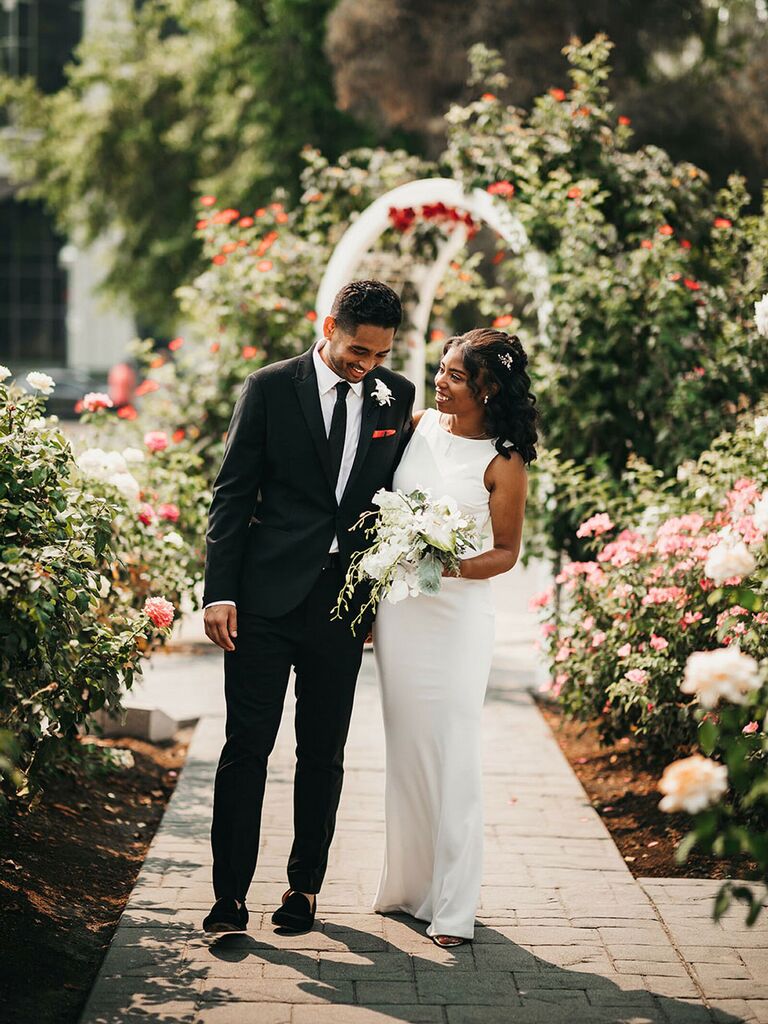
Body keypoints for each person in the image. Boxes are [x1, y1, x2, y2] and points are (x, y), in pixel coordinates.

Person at [201, 280, 415, 934]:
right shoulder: (270, 387)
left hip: (342, 606)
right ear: (328, 325)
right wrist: (220, 591)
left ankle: (304, 889)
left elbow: (392, 498)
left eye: (379, 355)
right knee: (247, 749)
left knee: (322, 753)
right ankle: (230, 896)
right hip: (261, 602)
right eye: (357, 349)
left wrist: (379, 594)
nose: (366, 365)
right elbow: (233, 493)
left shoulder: (395, 396)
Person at [372, 327, 537, 946]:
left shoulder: (504, 461)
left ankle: (453, 908)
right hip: (401, 612)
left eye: (455, 375)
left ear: (488, 387)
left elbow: (506, 554)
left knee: (455, 750)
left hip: (457, 618)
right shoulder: (415, 427)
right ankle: (409, 889)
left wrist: (443, 564)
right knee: (407, 748)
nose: (439, 381)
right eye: (440, 370)